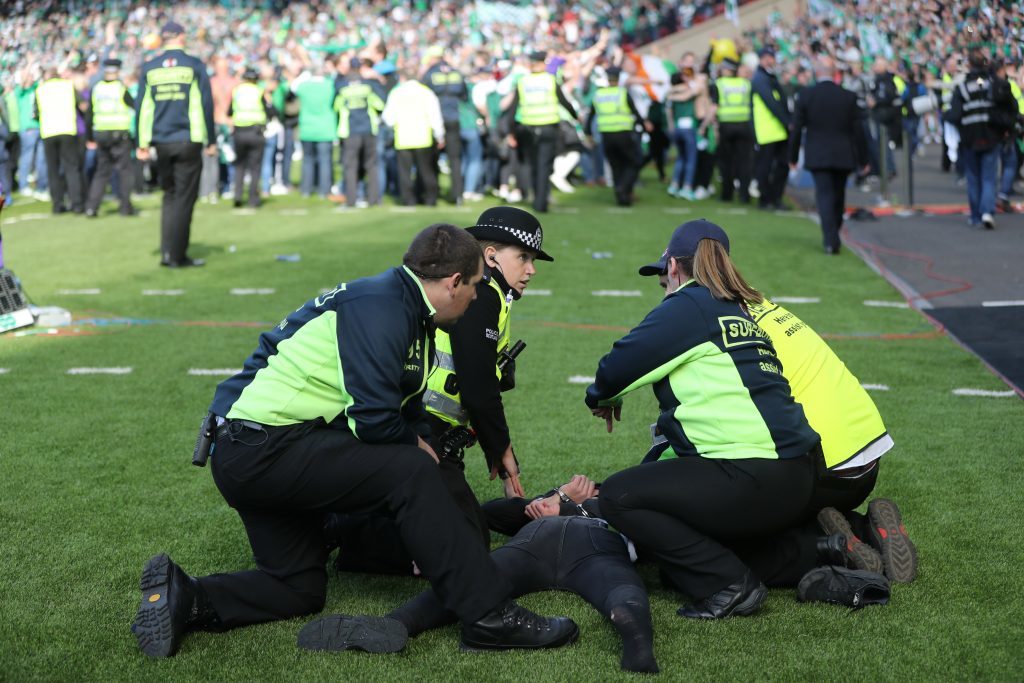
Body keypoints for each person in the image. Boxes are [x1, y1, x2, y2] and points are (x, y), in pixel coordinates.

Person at [130, 224, 578, 658]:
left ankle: (186, 596)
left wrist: (421, 437)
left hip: (256, 446)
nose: (479, 296)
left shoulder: (401, 303)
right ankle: (488, 616)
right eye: (476, 285)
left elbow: (403, 403)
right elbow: (373, 419)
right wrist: (418, 446)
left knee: (297, 587)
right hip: (262, 450)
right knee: (412, 470)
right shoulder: (382, 306)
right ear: (453, 282)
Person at [585, 219, 821, 619]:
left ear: (673, 267)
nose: (663, 289)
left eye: (662, 281)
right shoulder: (739, 311)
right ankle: (821, 550)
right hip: (800, 475)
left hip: (753, 476)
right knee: (683, 559)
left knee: (618, 496)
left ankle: (729, 585)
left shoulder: (689, 304)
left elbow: (613, 369)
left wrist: (603, 396)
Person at [638, 249, 917, 585]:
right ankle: (862, 530)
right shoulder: (765, 307)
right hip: (865, 464)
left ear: (677, 273)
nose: (664, 298)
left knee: (704, 542)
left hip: (815, 469)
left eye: (664, 285)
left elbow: (708, 432)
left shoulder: (703, 325)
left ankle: (828, 548)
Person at [136, 21, 215, 267]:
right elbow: (206, 104)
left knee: (169, 196)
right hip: (187, 139)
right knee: (184, 198)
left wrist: (142, 143)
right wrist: (211, 140)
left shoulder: (149, 68)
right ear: (181, 37)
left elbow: (143, 108)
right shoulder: (194, 65)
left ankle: (167, 253)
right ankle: (178, 255)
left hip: (161, 141)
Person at [788, 56, 868, 254]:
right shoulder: (848, 96)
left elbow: (797, 129)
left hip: (818, 152)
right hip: (843, 153)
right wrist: (864, 159)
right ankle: (833, 235)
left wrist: (792, 157)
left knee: (824, 195)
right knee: (838, 195)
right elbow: (859, 131)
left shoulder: (807, 95)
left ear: (817, 73)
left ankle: (830, 239)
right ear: (835, 74)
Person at [948, 49, 1017, 230]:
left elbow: (954, 115)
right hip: (992, 135)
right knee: (989, 177)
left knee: (973, 177)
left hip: (971, 138)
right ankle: (987, 211)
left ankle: (976, 215)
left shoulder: (962, 88)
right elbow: (1010, 106)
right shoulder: (994, 84)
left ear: (969, 65)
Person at [504, 52, 578, 213]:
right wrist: (576, 117)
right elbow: (564, 101)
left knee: (531, 165)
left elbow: (513, 108)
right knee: (544, 166)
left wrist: (511, 131)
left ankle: (535, 195)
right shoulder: (550, 80)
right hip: (548, 128)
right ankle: (541, 202)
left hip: (528, 128)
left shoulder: (523, 81)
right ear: (543, 63)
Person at [381, 66, 444, 207]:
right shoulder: (426, 92)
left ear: (402, 77)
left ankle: (408, 200)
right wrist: (439, 135)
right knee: (426, 171)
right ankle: (430, 199)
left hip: (403, 137)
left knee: (405, 173)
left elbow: (388, 117)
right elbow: (435, 116)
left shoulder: (396, 92)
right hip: (423, 137)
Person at [84, 59, 137, 218]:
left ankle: (92, 207)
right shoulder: (120, 88)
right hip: (120, 133)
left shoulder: (97, 88)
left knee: (102, 172)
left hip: (101, 133)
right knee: (124, 171)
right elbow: (134, 105)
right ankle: (125, 207)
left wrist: (89, 137)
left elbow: (89, 114)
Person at [587, 66, 646, 206]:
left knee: (615, 166)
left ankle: (622, 198)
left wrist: (588, 133)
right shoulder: (622, 93)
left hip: (606, 135)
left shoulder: (599, 94)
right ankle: (623, 188)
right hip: (623, 134)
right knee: (634, 162)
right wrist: (643, 127)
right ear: (619, 78)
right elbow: (635, 112)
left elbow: (590, 117)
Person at [335, 58, 386, 209]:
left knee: (350, 166)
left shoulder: (342, 87)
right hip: (368, 129)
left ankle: (351, 200)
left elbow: (336, 107)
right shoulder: (368, 86)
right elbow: (379, 104)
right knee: (371, 165)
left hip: (350, 131)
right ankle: (374, 199)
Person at [34, 66, 86, 214]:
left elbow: (36, 113)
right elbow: (83, 106)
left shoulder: (40, 89)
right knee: (71, 168)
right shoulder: (68, 86)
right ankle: (76, 204)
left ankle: (57, 204)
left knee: (53, 170)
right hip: (68, 129)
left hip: (49, 132)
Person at [423, 46, 468, 204]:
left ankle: (432, 195)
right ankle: (458, 195)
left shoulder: (430, 74)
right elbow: (464, 94)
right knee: (455, 159)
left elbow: (425, 95)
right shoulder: (456, 73)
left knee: (431, 158)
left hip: (435, 120)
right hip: (454, 118)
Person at [292, 58, 338, 199]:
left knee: (308, 160)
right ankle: (324, 191)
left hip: (307, 128)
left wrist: (305, 73)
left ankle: (306, 189)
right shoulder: (330, 85)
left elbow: (293, 86)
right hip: (326, 128)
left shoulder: (304, 86)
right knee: (325, 161)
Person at [751, 47, 790, 210]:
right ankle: (766, 199)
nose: (770, 60)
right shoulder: (760, 78)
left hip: (776, 131)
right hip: (767, 131)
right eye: (767, 57)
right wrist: (788, 122)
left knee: (781, 166)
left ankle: (774, 198)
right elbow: (772, 104)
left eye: (772, 57)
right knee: (765, 168)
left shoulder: (769, 77)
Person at [227, 67, 272, 208]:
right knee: (255, 167)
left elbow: (229, 111)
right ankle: (253, 199)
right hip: (255, 132)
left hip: (239, 132)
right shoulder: (259, 91)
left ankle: (238, 196)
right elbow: (270, 110)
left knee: (239, 165)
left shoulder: (237, 91)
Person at [711, 58, 754, 204]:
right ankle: (744, 195)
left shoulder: (719, 84)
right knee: (744, 162)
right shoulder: (746, 83)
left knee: (726, 162)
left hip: (726, 126)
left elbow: (714, 106)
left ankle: (727, 194)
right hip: (744, 125)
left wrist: (708, 125)